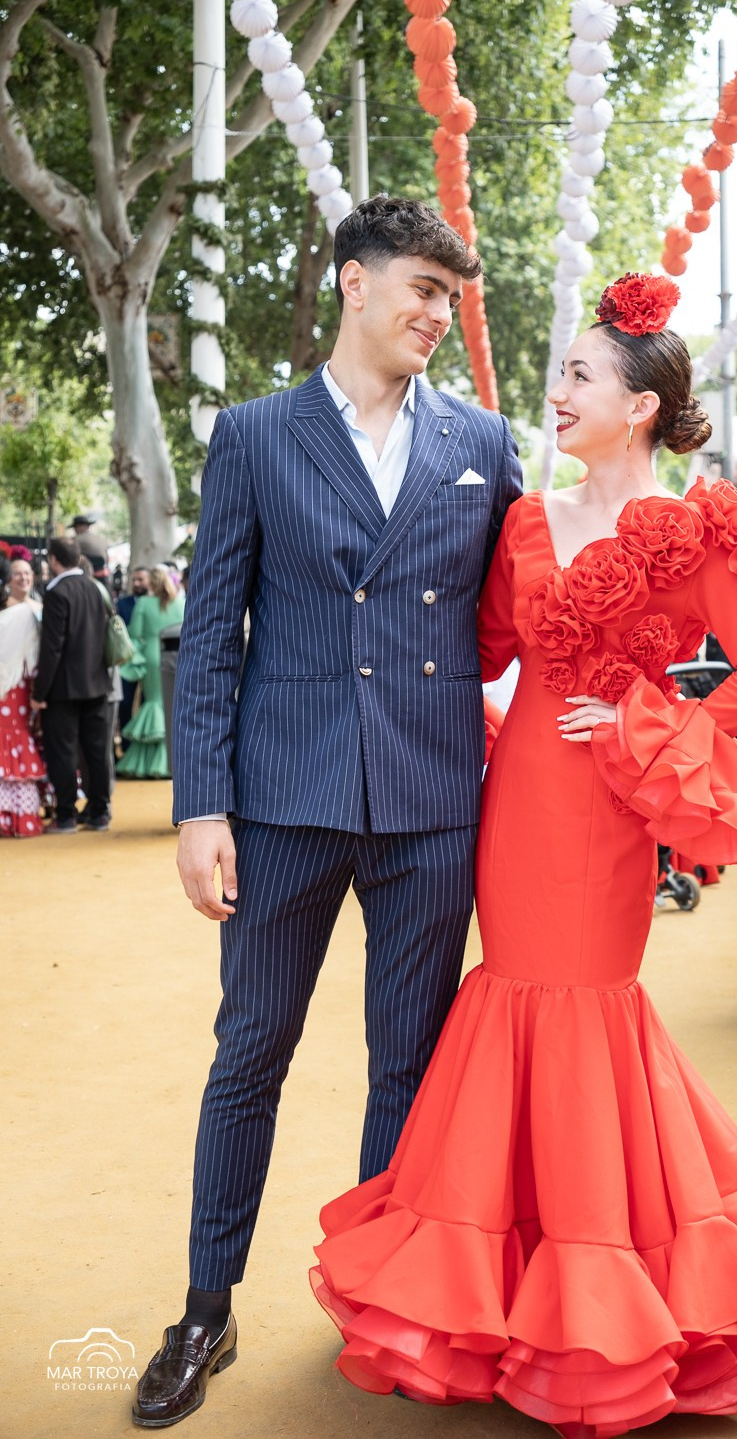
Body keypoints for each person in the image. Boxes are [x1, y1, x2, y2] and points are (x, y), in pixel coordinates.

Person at [308, 274, 737, 1435]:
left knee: (587, 1008)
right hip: (517, 804)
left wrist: (645, 722)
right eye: (561, 375)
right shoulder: (526, 518)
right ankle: (502, 1295)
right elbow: (483, 646)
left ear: (641, 404)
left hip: (607, 814)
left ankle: (605, 1294)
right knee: (508, 994)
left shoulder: (705, 526)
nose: (557, 395)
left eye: (580, 377)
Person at [131, 196, 524, 1428]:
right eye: (420, 289)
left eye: (450, 300)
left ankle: (381, 1304)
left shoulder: (487, 440)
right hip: (284, 797)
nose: (435, 316)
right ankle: (207, 1305)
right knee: (251, 1053)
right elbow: (213, 643)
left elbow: (518, 618)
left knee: (404, 1068)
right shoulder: (253, 435)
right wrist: (204, 806)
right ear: (354, 282)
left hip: (430, 805)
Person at [31, 536, 112, 832]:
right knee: (97, 749)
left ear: (53, 560)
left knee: (62, 751)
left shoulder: (56, 592)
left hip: (64, 686)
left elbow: (52, 647)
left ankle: (65, 813)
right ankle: (100, 810)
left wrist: (40, 693)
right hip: (97, 682)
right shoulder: (96, 588)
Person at [115, 566, 184, 779]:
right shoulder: (181, 603)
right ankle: (173, 761)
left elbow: (135, 632)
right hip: (177, 655)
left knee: (153, 702)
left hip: (153, 657)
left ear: (151, 584)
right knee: (171, 706)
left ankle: (153, 763)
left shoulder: (144, 603)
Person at [0, 553, 45, 837]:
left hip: (29, 686)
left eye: (27, 573)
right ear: (8, 579)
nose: (23, 578)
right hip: (6, 688)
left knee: (26, 736)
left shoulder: (40, 609)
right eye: (18, 574)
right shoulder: (4, 611)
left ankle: (23, 815)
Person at [115, 567, 150, 750]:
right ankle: (127, 748)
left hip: (150, 661)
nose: (136, 583)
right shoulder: (122, 603)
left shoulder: (156, 602)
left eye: (141, 579)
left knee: (149, 703)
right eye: (134, 580)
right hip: (128, 661)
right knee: (125, 703)